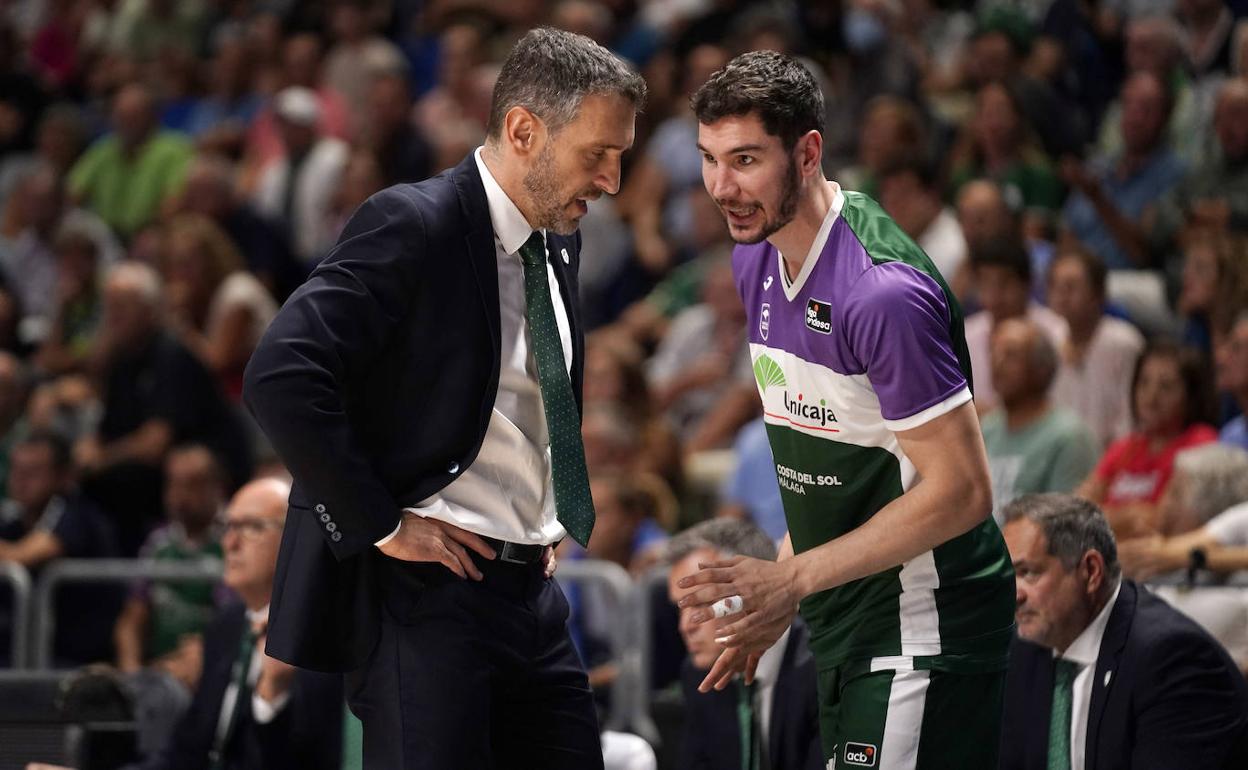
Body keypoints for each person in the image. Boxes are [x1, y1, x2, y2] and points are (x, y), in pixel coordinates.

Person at [243, 28, 645, 770]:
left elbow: (521, 393)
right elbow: (280, 373)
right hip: (426, 593)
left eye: (622, 156)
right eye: (598, 154)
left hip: (533, 593)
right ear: (524, 130)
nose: (614, 181)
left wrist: (545, 501)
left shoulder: (559, 237)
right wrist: (379, 523)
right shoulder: (414, 223)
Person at [678, 51, 1015, 769]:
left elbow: (962, 489)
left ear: (807, 153)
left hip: (924, 622)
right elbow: (845, 468)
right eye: (708, 159)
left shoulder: (881, 295)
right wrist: (776, 591)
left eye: (744, 159)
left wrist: (791, 581)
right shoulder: (755, 256)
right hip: (843, 617)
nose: (722, 188)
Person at [999, 493, 1248, 769]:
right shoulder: (1029, 644)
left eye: (1028, 573)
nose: (1014, 594)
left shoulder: (1171, 659)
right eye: (1009, 576)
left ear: (1091, 571)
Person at [137, 476, 344, 770]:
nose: (230, 543)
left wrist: (273, 694)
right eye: (227, 526)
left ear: (297, 541)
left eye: (252, 528)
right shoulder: (227, 625)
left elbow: (315, 758)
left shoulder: (323, 632)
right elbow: (187, 750)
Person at [666, 519, 822, 770]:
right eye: (679, 609)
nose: (685, 627)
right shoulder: (696, 672)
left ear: (757, 592)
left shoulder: (821, 669)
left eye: (702, 604)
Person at [1077, 340, 1218, 539]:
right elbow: (1076, 514)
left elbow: (1161, 522)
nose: (1151, 397)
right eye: (1144, 382)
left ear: (1191, 397)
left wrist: (1101, 516)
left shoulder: (1201, 443)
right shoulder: (1124, 446)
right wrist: (1132, 515)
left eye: (1166, 387)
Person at [982, 318, 1099, 518]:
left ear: (1040, 370)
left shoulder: (1068, 436)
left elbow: (1065, 525)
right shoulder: (987, 428)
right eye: (993, 351)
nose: (997, 362)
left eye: (1011, 355)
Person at [1046, 249, 1145, 449]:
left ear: (1098, 293)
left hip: (1113, 456)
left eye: (1071, 286)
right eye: (1057, 286)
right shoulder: (1049, 340)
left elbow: (1130, 417)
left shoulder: (1123, 342)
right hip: (1062, 455)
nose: (1062, 295)